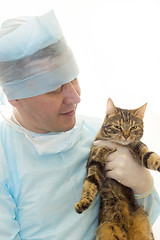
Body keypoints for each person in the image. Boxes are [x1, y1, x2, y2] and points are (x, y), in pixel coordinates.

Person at [0, 10, 159, 240]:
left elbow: (138, 223)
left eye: (73, 78)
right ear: (15, 97)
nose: (75, 97)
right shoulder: (5, 158)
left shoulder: (98, 134)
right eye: (55, 89)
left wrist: (143, 186)